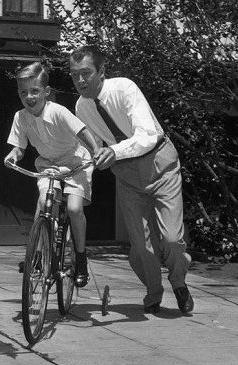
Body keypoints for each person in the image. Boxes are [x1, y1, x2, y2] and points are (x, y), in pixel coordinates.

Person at [69, 45, 193, 314]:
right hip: (126, 175)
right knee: (141, 245)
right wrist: (80, 181)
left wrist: (113, 151)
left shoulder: (124, 88)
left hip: (160, 164)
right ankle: (153, 293)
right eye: (74, 74)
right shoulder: (81, 107)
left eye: (86, 73)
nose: (80, 81)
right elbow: (94, 149)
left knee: (171, 238)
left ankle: (179, 282)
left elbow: (147, 135)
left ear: (101, 72)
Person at [4, 62, 99, 287]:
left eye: (35, 91)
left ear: (46, 92)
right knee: (44, 203)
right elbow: (19, 147)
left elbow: (82, 131)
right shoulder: (21, 117)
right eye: (23, 92)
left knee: (75, 208)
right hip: (48, 166)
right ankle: (38, 256)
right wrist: (13, 155)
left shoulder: (57, 111)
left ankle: (81, 258)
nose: (29, 97)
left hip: (76, 163)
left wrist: (96, 151)